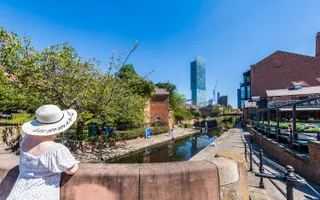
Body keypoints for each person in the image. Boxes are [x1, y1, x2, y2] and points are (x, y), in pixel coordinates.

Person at [7, 105, 79, 200]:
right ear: (59, 129)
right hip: (41, 194)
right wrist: (76, 163)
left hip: (18, 192)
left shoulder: (26, 138)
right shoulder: (55, 149)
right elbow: (70, 170)